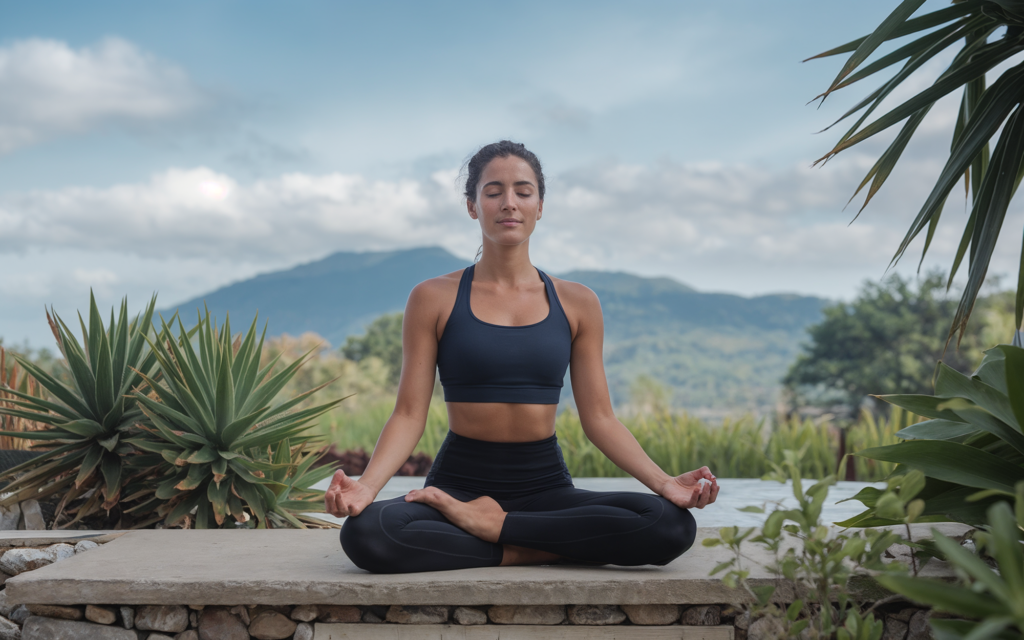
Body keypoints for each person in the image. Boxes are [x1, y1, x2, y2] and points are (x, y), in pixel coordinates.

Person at [326, 140, 720, 574]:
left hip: (545, 487)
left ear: (540, 205)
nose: (508, 203)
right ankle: (538, 544)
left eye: (523, 191)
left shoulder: (577, 302)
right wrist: (366, 488)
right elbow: (407, 414)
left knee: (670, 524)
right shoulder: (433, 297)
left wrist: (666, 484)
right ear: (473, 206)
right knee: (367, 534)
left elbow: (601, 419)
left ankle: (498, 532)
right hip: (458, 486)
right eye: (493, 191)